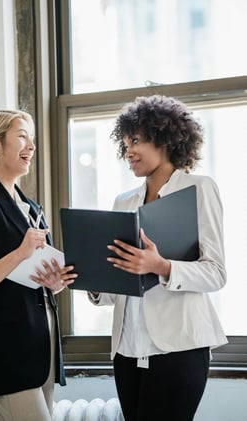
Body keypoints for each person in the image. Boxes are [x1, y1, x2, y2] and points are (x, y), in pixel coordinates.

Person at [89, 95, 227, 421]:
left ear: (164, 138)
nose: (128, 152)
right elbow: (122, 282)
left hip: (178, 348)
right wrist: (89, 280)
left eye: (136, 141)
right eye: (124, 144)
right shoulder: (123, 201)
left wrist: (161, 266)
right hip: (127, 350)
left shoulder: (199, 188)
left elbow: (216, 273)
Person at [0, 109, 77, 421]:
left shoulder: (30, 208)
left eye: (31, 138)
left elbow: (31, 278)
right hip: (7, 351)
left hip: (42, 349)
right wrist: (19, 254)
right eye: (22, 135)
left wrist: (55, 282)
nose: (31, 146)